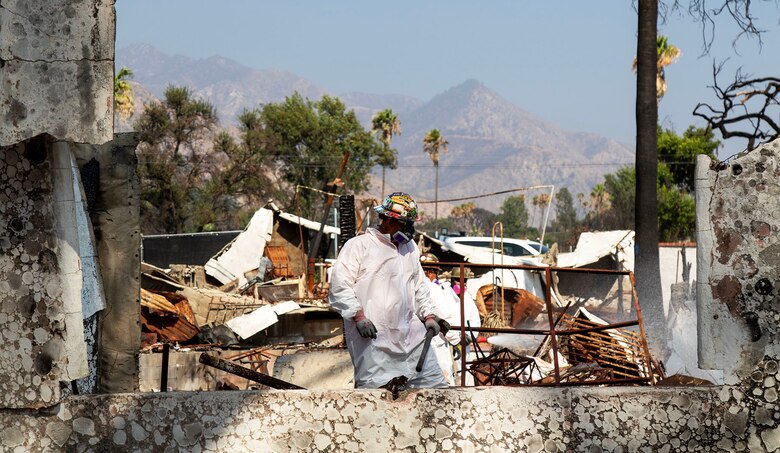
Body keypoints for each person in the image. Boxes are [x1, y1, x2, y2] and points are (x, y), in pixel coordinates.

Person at [328, 192, 447, 389]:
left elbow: (418, 287)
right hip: (375, 343)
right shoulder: (359, 246)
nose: (410, 230)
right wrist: (358, 316)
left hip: (413, 341)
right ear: (389, 221)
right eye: (405, 224)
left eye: (411, 224)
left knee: (436, 393)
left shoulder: (409, 249)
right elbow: (340, 287)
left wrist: (429, 316)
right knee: (377, 399)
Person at [420, 253, 461, 386]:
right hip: (435, 343)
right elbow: (445, 318)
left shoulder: (409, 286)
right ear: (430, 272)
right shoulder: (435, 289)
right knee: (442, 382)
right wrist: (456, 340)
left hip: (414, 343)